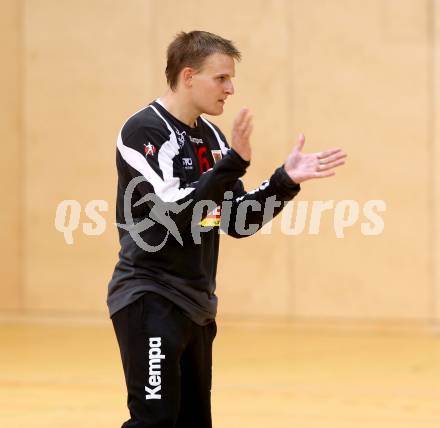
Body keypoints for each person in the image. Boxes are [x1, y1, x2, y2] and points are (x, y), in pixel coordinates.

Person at [107, 30, 346, 428]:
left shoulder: (212, 138)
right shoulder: (144, 132)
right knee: (153, 421)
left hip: (196, 305)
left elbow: (236, 220)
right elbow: (173, 214)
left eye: (231, 79)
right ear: (188, 76)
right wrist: (232, 164)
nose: (230, 89)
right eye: (221, 78)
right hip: (150, 296)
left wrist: (285, 180)